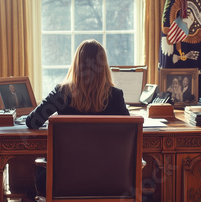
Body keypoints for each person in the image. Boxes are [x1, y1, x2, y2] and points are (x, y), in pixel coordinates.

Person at [25, 39, 129, 198]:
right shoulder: (115, 96)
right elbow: (127, 131)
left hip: (64, 180)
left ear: (76, 64)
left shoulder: (61, 93)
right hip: (108, 180)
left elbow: (32, 122)